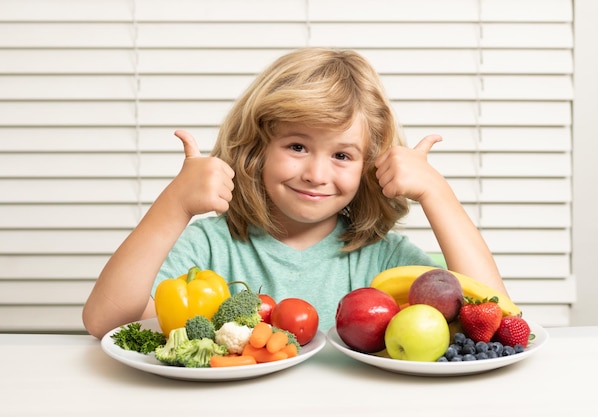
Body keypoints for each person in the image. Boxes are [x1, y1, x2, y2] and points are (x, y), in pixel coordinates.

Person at [82, 47, 507, 339]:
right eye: (297, 146)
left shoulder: (384, 258)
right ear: (257, 147)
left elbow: (495, 316)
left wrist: (438, 195)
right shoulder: (211, 245)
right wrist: (173, 205)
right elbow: (106, 321)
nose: (316, 174)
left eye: (342, 154)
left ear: (371, 165)